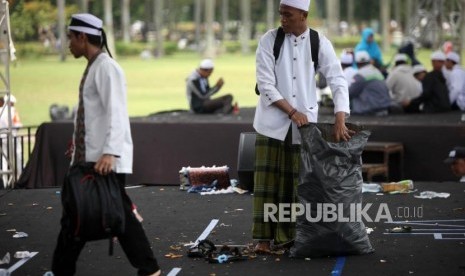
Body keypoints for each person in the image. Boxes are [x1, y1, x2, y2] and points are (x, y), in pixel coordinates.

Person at [50, 13, 160, 276]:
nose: (68, 43)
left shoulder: (106, 67)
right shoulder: (95, 65)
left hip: (103, 161)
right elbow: (95, 115)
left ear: (82, 37)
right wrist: (79, 144)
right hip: (92, 158)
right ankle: (149, 268)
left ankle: (149, 268)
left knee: (85, 217)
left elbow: (117, 112)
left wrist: (110, 152)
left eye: (70, 37)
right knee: (89, 216)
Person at [253, 0, 352, 253]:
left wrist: (340, 116)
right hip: (270, 125)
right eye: (281, 14)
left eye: (288, 15)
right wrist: (292, 112)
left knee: (295, 185)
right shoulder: (269, 40)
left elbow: (337, 79)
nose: (283, 19)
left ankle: (288, 238)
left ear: (304, 15)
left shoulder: (319, 42)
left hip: (304, 126)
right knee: (267, 184)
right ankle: (263, 241)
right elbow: (265, 85)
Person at [348, 51, 392, 115]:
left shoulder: (360, 75)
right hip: (384, 107)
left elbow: (350, 93)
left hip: (370, 108)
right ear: (369, 61)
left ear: (357, 63)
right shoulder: (377, 71)